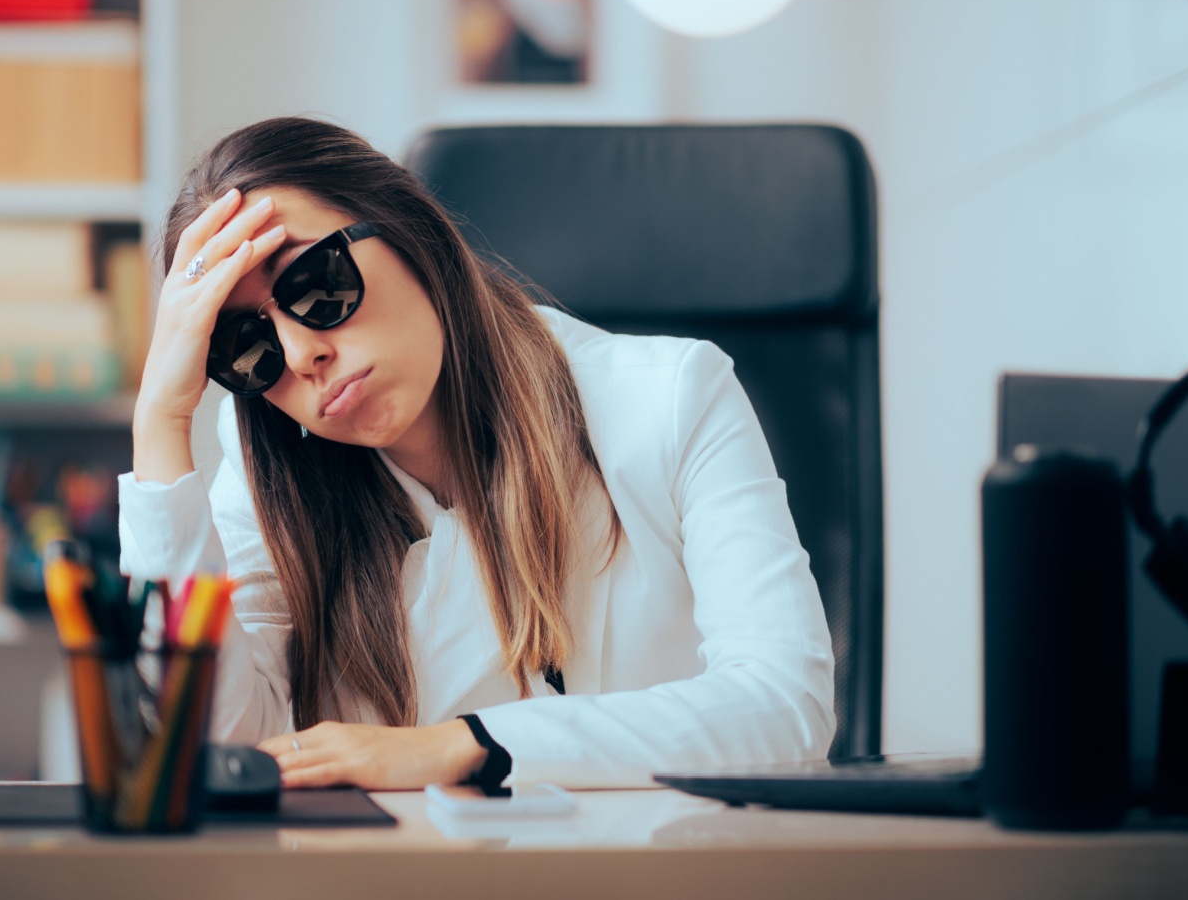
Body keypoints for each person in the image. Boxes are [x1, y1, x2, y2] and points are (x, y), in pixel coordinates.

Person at [119, 116, 836, 791]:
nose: (304, 354)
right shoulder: (266, 476)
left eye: (314, 281)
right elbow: (214, 742)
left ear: (406, 228)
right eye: (245, 346)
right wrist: (159, 421)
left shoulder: (672, 399)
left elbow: (785, 705)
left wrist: (469, 744)